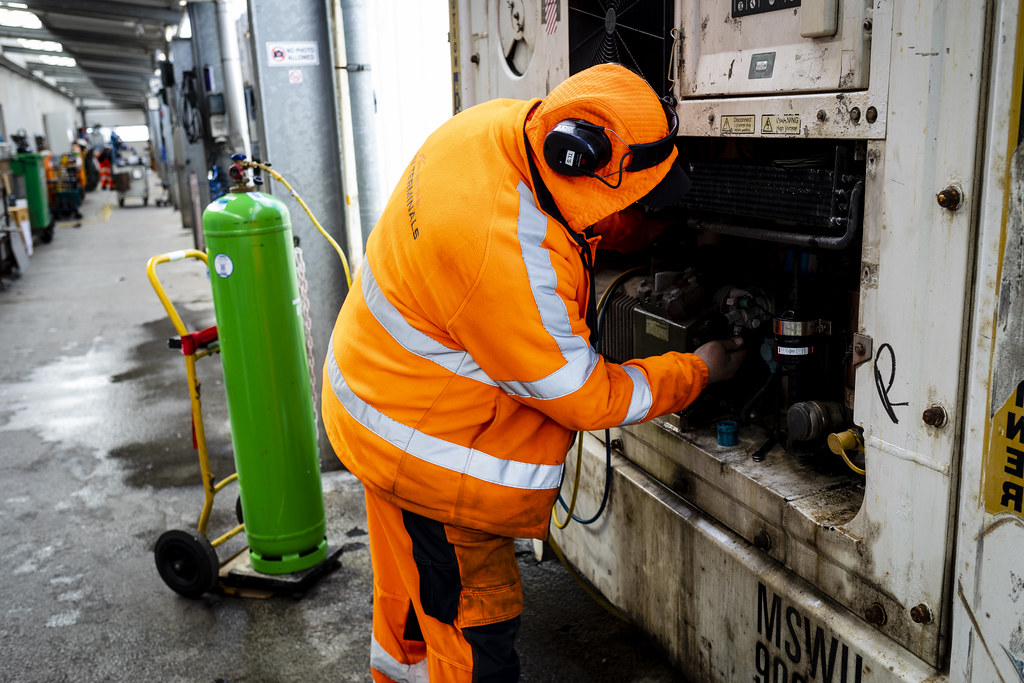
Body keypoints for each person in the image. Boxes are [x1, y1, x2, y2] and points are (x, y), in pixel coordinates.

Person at [321, 63, 746, 682]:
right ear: (589, 161)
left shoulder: (498, 130)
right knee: (473, 632)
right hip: (432, 462)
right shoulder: (502, 252)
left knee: (411, 608)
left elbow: (575, 203)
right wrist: (699, 369)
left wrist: (643, 231)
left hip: (378, 409)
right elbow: (586, 397)